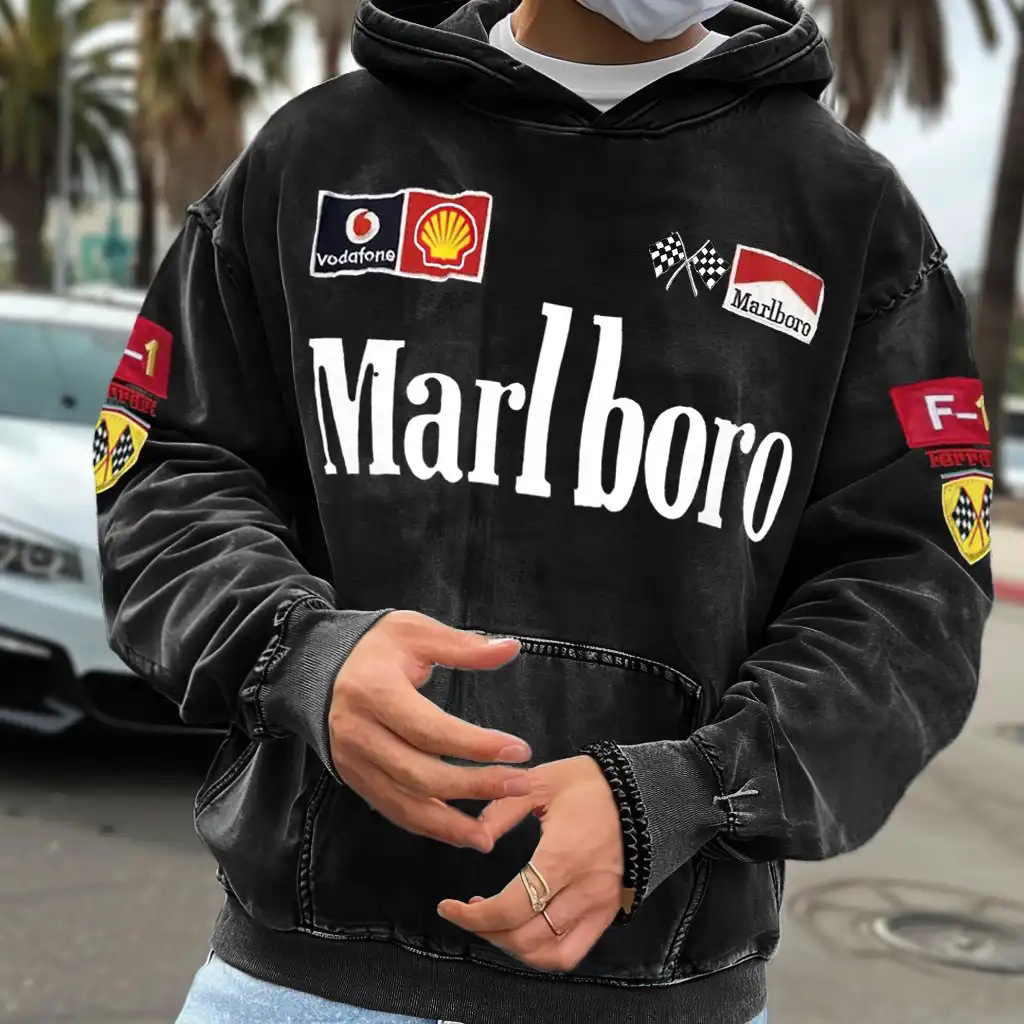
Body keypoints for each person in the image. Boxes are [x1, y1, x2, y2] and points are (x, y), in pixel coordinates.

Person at [92, 0, 995, 1022]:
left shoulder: (849, 216)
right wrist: (301, 657)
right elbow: (166, 463)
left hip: (666, 998)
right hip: (300, 985)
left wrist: (685, 791)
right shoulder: (320, 155)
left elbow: (911, 590)